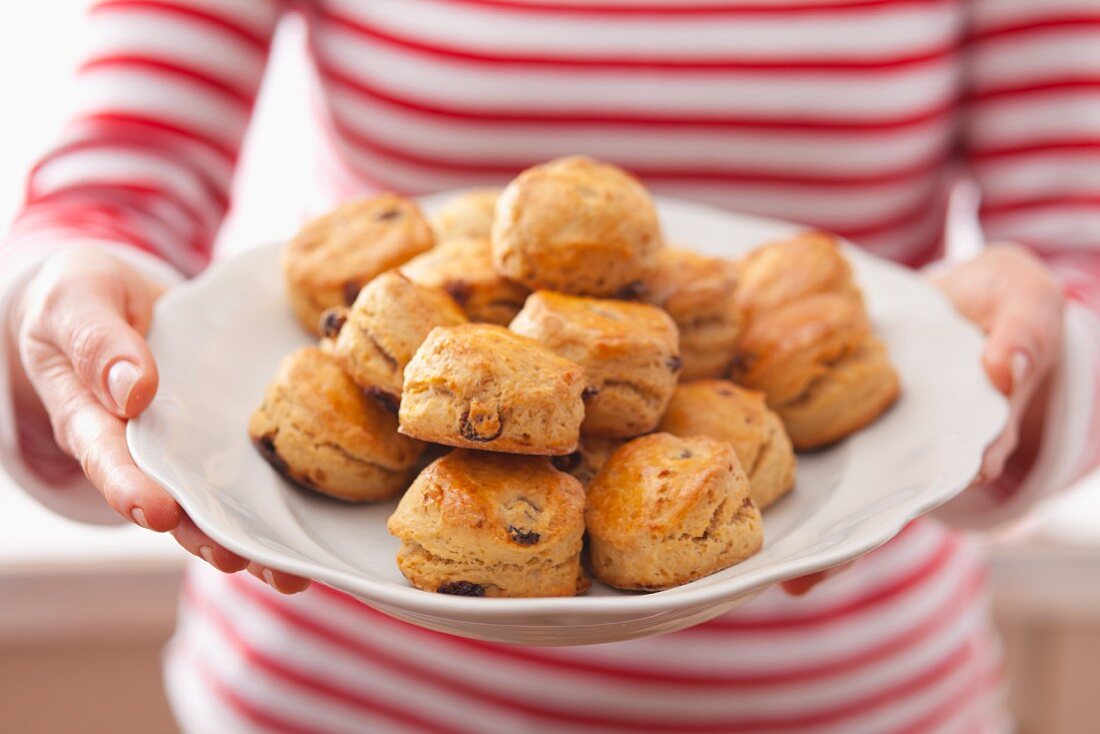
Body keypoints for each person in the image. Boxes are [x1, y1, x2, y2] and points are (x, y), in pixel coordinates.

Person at [2, 1, 1096, 731]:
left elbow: (1077, 242)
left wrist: (1024, 375)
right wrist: (68, 313)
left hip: (849, 690)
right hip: (334, 685)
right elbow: (119, 175)